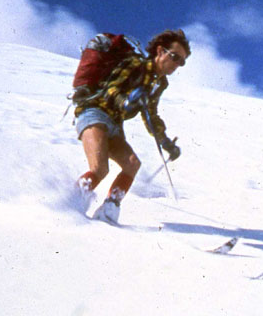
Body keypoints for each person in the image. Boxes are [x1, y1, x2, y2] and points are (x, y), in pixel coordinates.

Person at [73, 29, 190, 224]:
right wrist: (125, 102)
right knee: (100, 168)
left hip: (115, 124)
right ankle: (69, 203)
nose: (177, 64)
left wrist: (165, 141)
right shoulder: (136, 65)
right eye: (175, 57)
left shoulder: (158, 82)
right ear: (160, 51)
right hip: (94, 112)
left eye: (182, 61)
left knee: (132, 164)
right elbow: (111, 89)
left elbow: (150, 113)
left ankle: (109, 210)